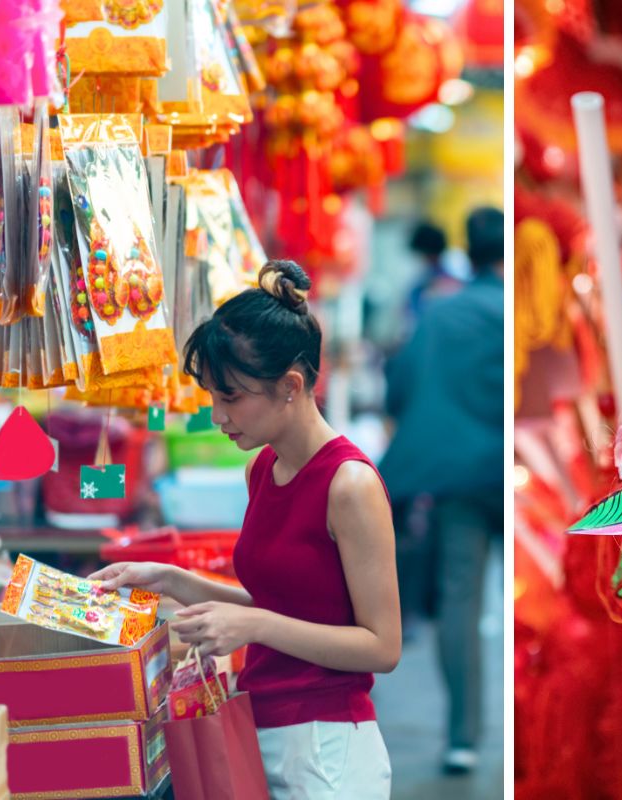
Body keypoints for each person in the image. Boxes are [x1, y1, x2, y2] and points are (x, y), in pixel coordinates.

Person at [91, 261, 400, 800]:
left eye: (231, 397)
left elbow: (381, 646)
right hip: (259, 726)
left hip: (327, 751)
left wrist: (252, 626)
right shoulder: (264, 467)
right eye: (214, 395)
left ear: (290, 386)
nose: (217, 415)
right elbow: (283, 603)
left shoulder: (349, 485)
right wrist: (169, 578)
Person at [379, 207, 504, 775]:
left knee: (462, 600)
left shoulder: (438, 312)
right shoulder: (520, 310)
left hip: (458, 477)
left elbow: (399, 389)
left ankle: (463, 738)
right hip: (525, 473)